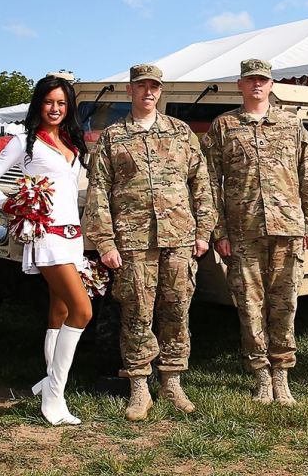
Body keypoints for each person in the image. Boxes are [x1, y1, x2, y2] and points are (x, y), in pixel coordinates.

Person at [83, 63, 217, 420]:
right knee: (136, 313)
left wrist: (204, 233)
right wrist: (105, 243)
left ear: (160, 92)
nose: (148, 92)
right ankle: (139, 386)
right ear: (130, 91)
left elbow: (201, 184)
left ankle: (172, 382)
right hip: (133, 242)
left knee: (176, 310)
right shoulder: (113, 137)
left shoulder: (180, 132)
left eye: (154, 87)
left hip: (179, 239)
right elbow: (98, 193)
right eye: (141, 87)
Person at [201, 59, 308, 406]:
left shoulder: (291, 124)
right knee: (250, 306)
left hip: (288, 229)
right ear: (240, 85)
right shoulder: (224, 126)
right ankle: (261, 377)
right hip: (242, 232)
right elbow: (210, 183)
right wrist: (218, 230)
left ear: (271, 85)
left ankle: (282, 375)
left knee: (284, 305)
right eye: (250, 80)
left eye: (263, 80)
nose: (257, 85)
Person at [0, 74, 91, 426]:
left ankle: (47, 382)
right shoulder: (23, 141)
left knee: (58, 311)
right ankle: (56, 395)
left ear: (68, 105)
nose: (55, 108)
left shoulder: (71, 140)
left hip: (73, 237)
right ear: (38, 104)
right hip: (47, 238)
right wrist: (14, 207)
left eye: (61, 102)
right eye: (48, 102)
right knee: (82, 311)